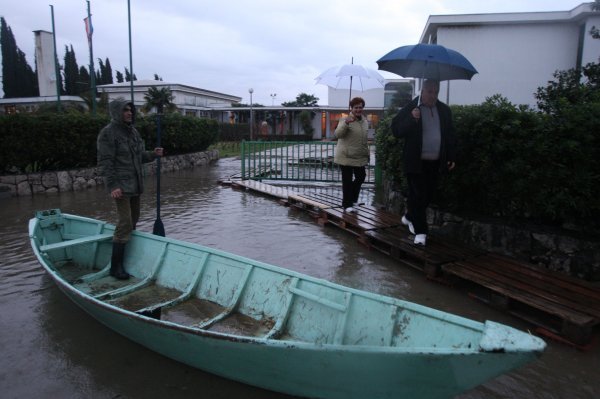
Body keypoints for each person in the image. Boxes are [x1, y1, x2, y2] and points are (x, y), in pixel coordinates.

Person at [97, 98, 163, 279]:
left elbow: (139, 156)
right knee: (125, 222)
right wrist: (113, 185)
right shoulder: (108, 134)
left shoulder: (133, 132)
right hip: (121, 186)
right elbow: (106, 162)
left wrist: (153, 154)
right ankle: (115, 267)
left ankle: (126, 259)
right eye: (125, 110)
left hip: (135, 184)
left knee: (133, 221)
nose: (129, 113)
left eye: (130, 110)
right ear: (117, 112)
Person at [391, 80, 456, 246]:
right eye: (429, 91)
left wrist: (452, 156)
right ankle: (421, 233)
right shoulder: (411, 108)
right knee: (418, 195)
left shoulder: (444, 110)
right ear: (422, 91)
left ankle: (410, 217)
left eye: (435, 92)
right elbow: (396, 130)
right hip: (415, 162)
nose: (432, 95)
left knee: (428, 196)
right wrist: (412, 119)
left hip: (435, 162)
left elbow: (450, 135)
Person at [334, 97, 370, 213]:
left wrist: (367, 155)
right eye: (356, 107)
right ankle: (347, 204)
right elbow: (338, 134)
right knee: (347, 181)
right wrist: (345, 123)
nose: (358, 109)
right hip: (346, 155)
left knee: (361, 176)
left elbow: (363, 140)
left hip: (359, 156)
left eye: (360, 107)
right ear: (352, 108)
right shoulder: (345, 119)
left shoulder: (364, 121)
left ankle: (352, 199)